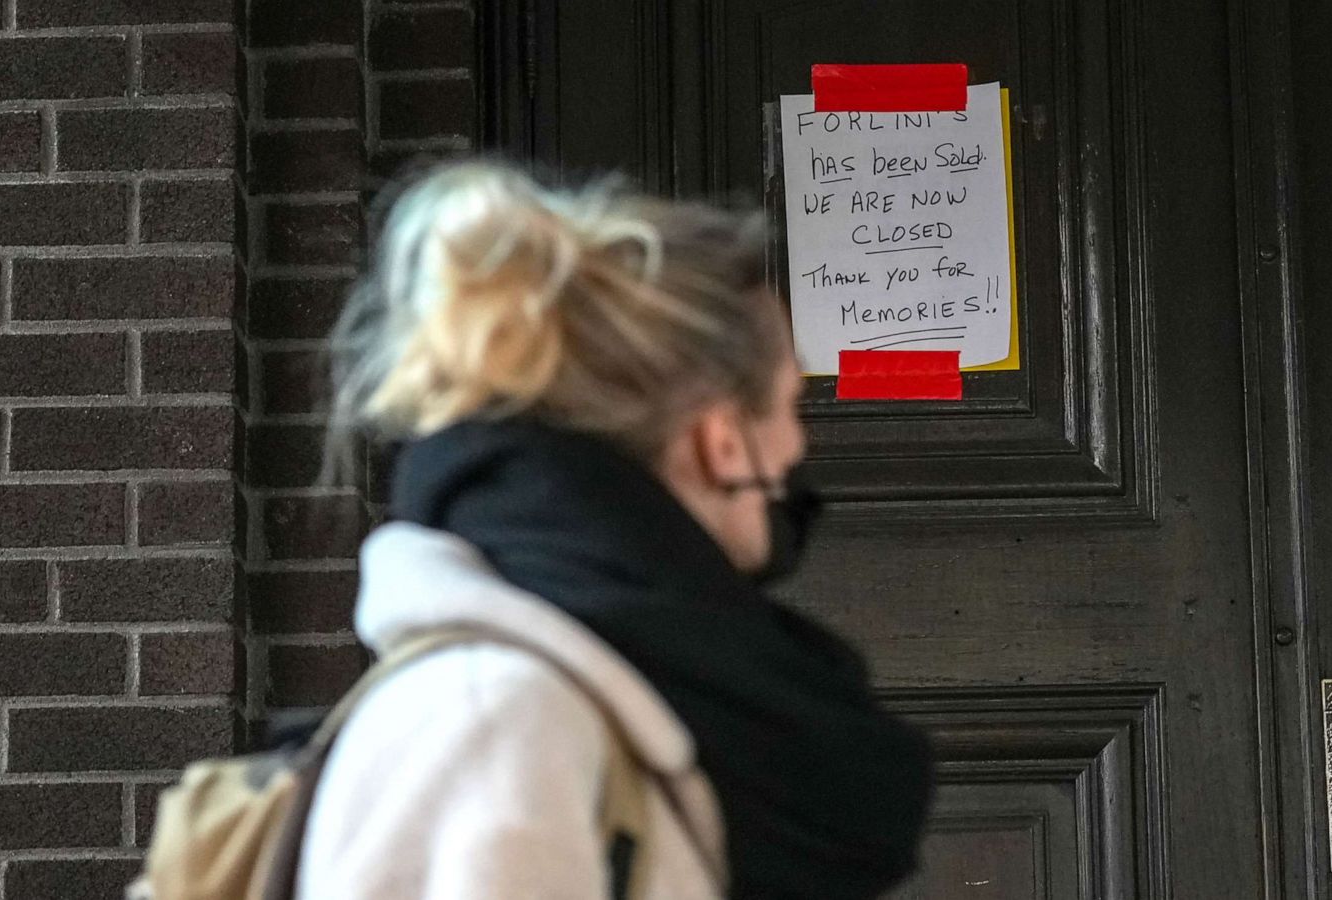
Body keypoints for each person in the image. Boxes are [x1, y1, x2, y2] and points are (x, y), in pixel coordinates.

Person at [303, 160, 933, 899]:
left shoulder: (627, 700)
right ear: (721, 438)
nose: (799, 447)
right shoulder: (502, 723)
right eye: (792, 406)